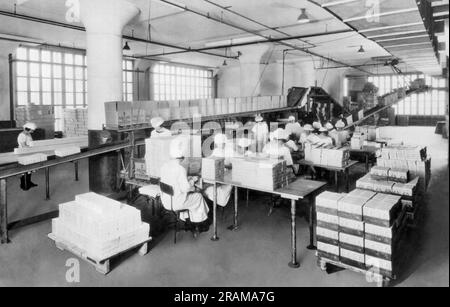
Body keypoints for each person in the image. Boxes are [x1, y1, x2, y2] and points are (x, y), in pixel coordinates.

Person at [160, 138, 210, 234]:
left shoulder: (164, 166)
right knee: (198, 197)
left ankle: (187, 221)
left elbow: (173, 182)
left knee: (189, 197)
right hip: (177, 202)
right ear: (181, 157)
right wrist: (192, 182)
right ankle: (200, 224)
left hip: (166, 200)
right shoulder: (180, 169)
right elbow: (186, 188)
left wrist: (187, 180)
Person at [204, 134, 234, 208]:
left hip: (228, 174)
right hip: (218, 173)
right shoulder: (217, 150)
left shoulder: (229, 150)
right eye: (217, 143)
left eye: (221, 143)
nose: (219, 145)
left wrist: (223, 165)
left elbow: (232, 165)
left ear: (224, 143)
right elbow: (213, 158)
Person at [18, 122, 38, 190]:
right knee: (25, 171)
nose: (32, 132)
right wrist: (32, 147)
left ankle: (29, 183)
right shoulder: (22, 135)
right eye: (31, 130)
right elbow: (24, 146)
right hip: (24, 154)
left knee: (30, 170)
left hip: (29, 152)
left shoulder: (28, 134)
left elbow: (31, 142)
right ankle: (24, 185)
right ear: (27, 129)